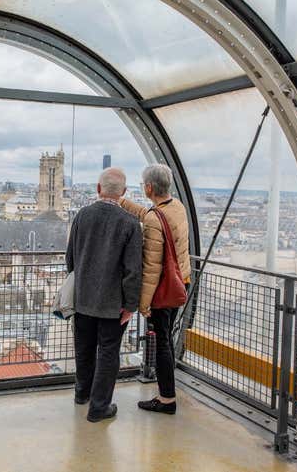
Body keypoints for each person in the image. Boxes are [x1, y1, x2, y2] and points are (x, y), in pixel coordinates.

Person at [66, 167, 142, 422]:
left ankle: (81, 393)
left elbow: (71, 258)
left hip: (83, 298)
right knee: (108, 353)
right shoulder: (131, 223)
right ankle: (99, 407)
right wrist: (131, 305)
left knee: (83, 348)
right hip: (113, 304)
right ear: (123, 193)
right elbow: (133, 270)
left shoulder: (82, 216)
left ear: (98, 189)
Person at [120, 163, 191, 415]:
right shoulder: (177, 207)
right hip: (180, 283)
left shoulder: (155, 217)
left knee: (161, 343)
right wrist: (124, 203)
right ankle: (167, 393)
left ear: (149, 187)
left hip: (162, 290)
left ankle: (166, 399)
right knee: (168, 340)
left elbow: (151, 267)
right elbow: (152, 216)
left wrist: (143, 303)